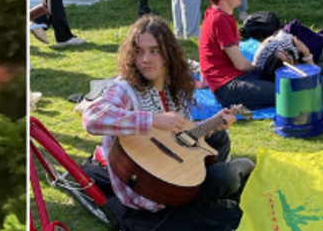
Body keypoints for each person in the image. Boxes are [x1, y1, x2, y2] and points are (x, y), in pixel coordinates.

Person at [82, 15, 254, 212]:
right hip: (148, 190)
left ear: (168, 54)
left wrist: (215, 122)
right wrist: (152, 120)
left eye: (154, 51)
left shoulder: (172, 85)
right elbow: (92, 118)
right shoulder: (125, 88)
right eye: (139, 52)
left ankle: (203, 184)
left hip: (173, 167)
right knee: (230, 174)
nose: (146, 59)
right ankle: (209, 190)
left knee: (220, 137)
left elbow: (182, 137)